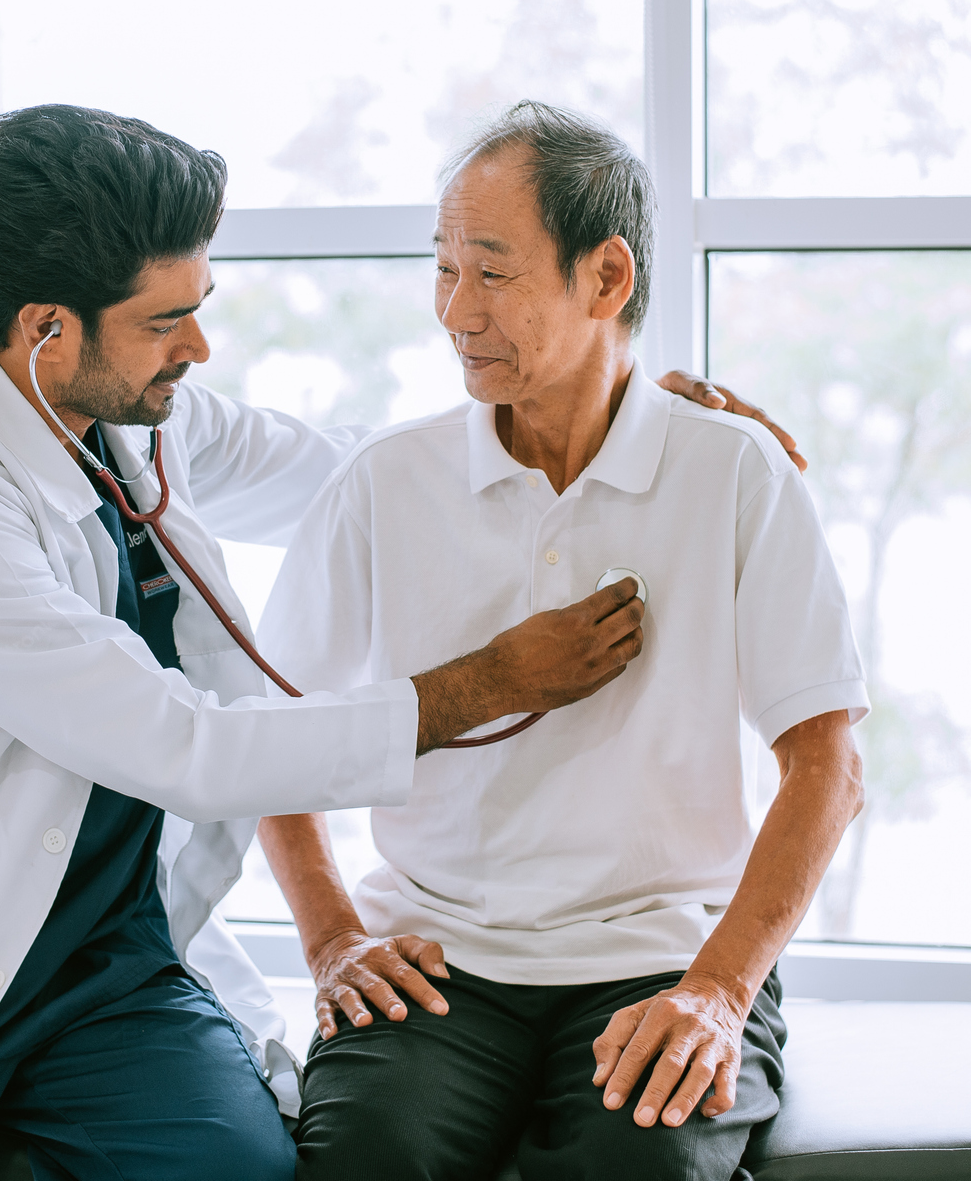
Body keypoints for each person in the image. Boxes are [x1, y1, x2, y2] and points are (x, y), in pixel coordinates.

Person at [0, 104, 656, 1181]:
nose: (197, 346)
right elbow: (183, 745)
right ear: (48, 331)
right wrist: (486, 684)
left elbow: (364, 476)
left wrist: (600, 408)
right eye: (165, 320)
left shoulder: (133, 414)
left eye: (199, 308)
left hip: (103, 969)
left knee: (244, 1174)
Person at [257, 101, 869, 1181]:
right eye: (441, 269)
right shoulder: (384, 484)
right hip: (436, 960)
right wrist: (332, 938)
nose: (453, 309)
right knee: (362, 1160)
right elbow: (275, 742)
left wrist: (718, 989)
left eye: (490, 272)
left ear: (607, 277)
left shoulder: (733, 470)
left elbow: (825, 764)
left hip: (661, 947)